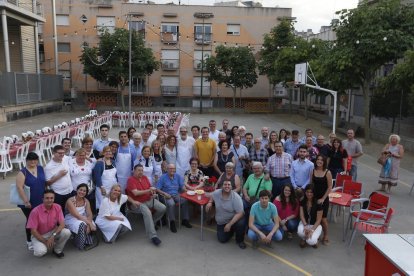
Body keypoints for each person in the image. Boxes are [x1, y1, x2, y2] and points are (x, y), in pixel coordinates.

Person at [126, 165, 166, 246]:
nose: (141, 172)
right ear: (134, 171)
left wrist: (152, 194)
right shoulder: (131, 180)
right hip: (137, 203)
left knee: (163, 208)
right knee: (147, 212)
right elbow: (135, 193)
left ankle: (151, 223)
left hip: (149, 200)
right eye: (138, 170)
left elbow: (149, 188)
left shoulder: (144, 178)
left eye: (142, 170)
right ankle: (153, 236)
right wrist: (149, 190)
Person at [26, 190, 71, 258]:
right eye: (47, 198)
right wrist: (45, 241)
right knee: (40, 252)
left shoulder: (57, 207)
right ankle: (39, 246)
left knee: (67, 232)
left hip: (53, 232)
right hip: (39, 235)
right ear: (43, 199)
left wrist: (53, 236)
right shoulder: (35, 211)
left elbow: (62, 224)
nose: (49, 200)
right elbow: (33, 231)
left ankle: (57, 250)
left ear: (54, 199)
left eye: (51, 198)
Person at [16, 152, 46, 251]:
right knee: (30, 221)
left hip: (40, 200)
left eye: (35, 160)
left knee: (39, 220)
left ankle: (38, 236)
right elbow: (19, 188)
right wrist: (26, 201)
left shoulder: (41, 168)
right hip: (28, 202)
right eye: (30, 160)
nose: (33, 162)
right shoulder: (23, 172)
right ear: (27, 161)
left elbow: (44, 183)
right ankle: (29, 241)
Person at [206, 181, 246, 249]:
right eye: (225, 184)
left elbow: (240, 213)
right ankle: (231, 230)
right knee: (222, 239)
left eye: (229, 184)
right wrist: (210, 202)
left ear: (231, 187)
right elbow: (212, 195)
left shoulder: (236, 197)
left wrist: (230, 224)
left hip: (234, 219)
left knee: (241, 223)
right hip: (222, 221)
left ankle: (240, 240)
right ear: (222, 186)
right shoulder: (217, 192)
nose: (227, 186)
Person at [156, 164, 192, 233]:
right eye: (170, 168)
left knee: (185, 200)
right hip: (166, 195)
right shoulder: (163, 177)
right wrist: (164, 193)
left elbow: (182, 187)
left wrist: (187, 191)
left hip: (176, 195)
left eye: (173, 168)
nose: (172, 170)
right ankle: (172, 222)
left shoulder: (178, 176)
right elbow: (157, 189)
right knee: (171, 203)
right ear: (167, 169)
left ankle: (185, 220)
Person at [64, 184, 96, 250]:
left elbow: (89, 214)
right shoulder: (70, 201)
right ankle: (80, 244)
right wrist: (89, 224)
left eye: (84, 191)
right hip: (71, 218)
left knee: (93, 224)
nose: (82, 192)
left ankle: (86, 240)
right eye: (80, 190)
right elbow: (77, 215)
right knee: (82, 225)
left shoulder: (86, 201)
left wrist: (89, 224)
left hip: (82, 217)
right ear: (77, 190)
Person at [45, 145, 73, 211]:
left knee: (70, 211)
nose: (62, 154)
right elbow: (47, 183)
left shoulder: (65, 160)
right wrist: (59, 175)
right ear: (54, 153)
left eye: (63, 153)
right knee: (60, 212)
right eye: (59, 153)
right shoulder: (49, 167)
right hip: (59, 194)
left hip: (69, 191)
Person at [312, 155, 332, 245]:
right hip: (314, 198)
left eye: (321, 160)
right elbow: (310, 185)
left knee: (323, 219)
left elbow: (330, 187)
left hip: (323, 198)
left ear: (324, 162)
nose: (319, 161)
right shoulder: (313, 171)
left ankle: (326, 235)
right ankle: (316, 235)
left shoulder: (327, 172)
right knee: (315, 218)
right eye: (318, 159)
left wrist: (323, 198)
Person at [93, 145, 117, 211]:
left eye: (109, 151)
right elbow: (97, 176)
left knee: (111, 205)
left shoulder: (113, 162)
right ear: (103, 153)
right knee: (103, 206)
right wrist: (101, 187)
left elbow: (115, 175)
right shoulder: (99, 163)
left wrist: (117, 185)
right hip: (102, 188)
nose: (108, 153)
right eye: (106, 151)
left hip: (112, 188)